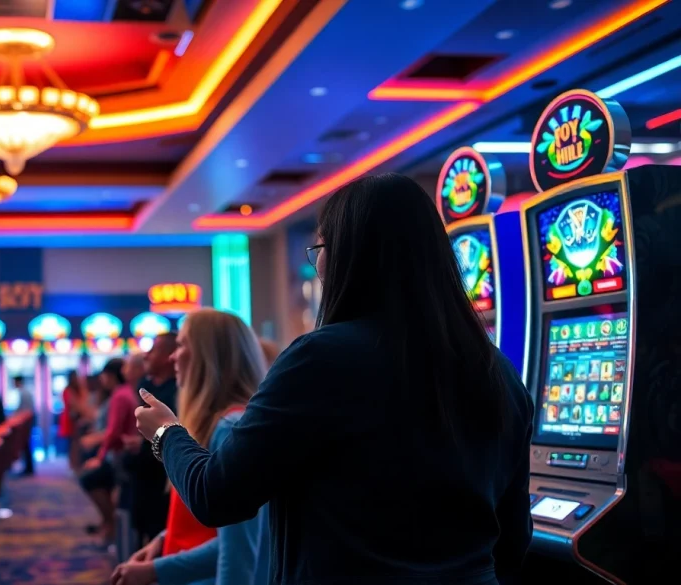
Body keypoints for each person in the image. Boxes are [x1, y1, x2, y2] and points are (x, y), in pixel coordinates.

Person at [135, 173, 534, 585]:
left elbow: (217, 495)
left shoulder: (321, 359)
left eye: (320, 247)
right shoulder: (499, 372)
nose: (319, 264)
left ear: (352, 255)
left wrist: (166, 433)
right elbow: (513, 540)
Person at [112, 309, 270, 585]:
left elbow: (238, 552)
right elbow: (212, 526)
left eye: (183, 344)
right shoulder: (215, 423)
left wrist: (157, 570)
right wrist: (165, 539)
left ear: (210, 357)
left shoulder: (231, 427)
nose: (173, 355)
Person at [123, 333, 178, 544]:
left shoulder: (175, 392)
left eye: (153, 349)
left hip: (161, 478)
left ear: (168, 356)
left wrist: (145, 445)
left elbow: (172, 437)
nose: (146, 355)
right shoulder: (148, 386)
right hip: (143, 473)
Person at [80, 359, 131, 542]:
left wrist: (100, 458)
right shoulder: (122, 393)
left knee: (89, 478)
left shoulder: (119, 395)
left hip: (121, 457)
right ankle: (108, 522)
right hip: (122, 455)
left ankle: (111, 523)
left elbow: (114, 431)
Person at [13, 375, 36, 475]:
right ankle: (28, 467)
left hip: (26, 423)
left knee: (25, 445)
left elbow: (21, 410)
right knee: (26, 445)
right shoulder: (26, 391)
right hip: (29, 421)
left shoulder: (23, 392)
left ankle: (28, 468)